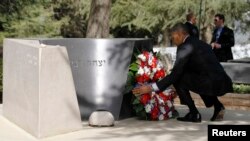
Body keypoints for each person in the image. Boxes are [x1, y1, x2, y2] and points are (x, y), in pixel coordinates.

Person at [132, 23, 233, 123]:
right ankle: (218, 106)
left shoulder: (185, 47)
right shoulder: (199, 42)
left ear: (182, 34)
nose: (172, 39)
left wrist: (151, 88)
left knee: (179, 79)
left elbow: (176, 74)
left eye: (173, 36)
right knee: (196, 77)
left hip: (209, 82)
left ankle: (194, 113)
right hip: (221, 80)